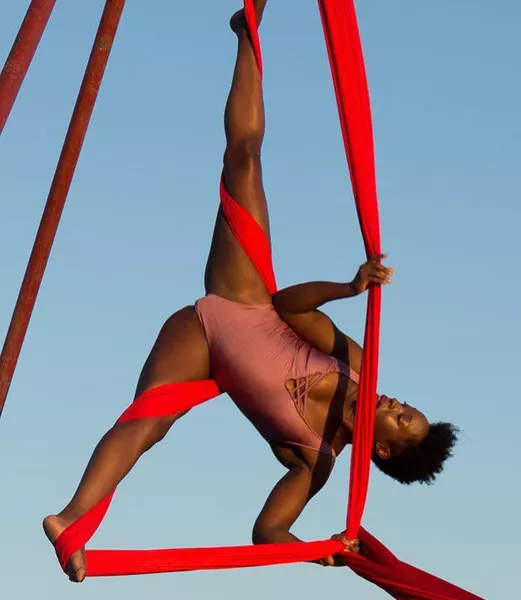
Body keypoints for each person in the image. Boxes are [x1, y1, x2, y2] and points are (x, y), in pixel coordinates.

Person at [43, 1, 458, 583]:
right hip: (243, 298)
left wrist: (323, 551)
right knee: (244, 159)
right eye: (406, 406)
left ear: (383, 450)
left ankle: (69, 520)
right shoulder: (356, 366)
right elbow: (288, 304)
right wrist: (349, 286)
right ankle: (246, 34)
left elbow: (267, 533)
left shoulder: (316, 464)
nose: (394, 404)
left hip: (202, 348)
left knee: (149, 422)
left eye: (401, 419)